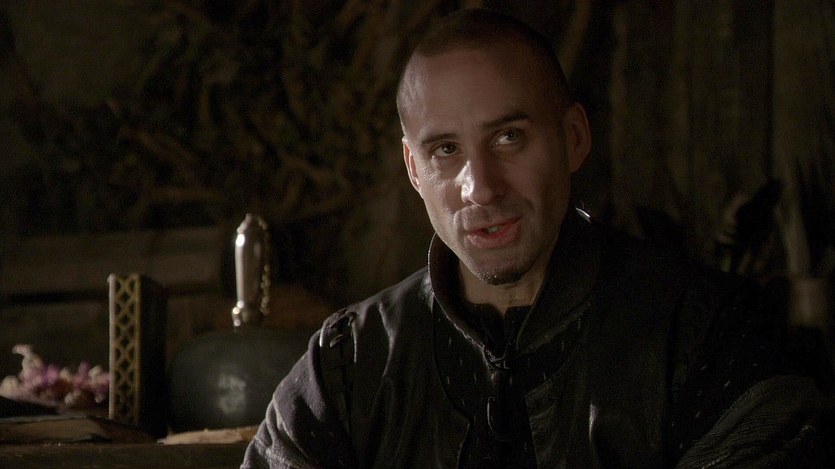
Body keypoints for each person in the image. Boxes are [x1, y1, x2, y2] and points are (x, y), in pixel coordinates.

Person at [242, 8, 831, 468]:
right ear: (414, 170)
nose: (480, 187)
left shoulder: (707, 336)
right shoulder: (347, 365)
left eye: (509, 138)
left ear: (573, 137)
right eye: (445, 150)